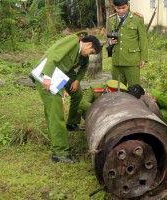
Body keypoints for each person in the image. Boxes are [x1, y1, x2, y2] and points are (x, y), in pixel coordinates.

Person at [33, 34, 101, 163]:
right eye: (91, 52)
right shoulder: (73, 41)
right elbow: (54, 54)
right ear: (88, 44)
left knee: (72, 99)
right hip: (47, 74)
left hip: (60, 74)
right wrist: (47, 77)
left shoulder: (81, 52)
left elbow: (83, 67)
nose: (89, 55)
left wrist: (76, 81)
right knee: (56, 112)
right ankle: (60, 152)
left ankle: (70, 125)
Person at [108, 0, 148, 87]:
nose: (121, 11)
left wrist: (143, 58)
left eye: (124, 8)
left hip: (132, 61)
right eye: (118, 8)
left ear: (128, 5)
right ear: (114, 7)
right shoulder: (111, 19)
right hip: (117, 61)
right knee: (117, 89)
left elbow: (143, 40)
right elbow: (108, 36)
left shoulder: (137, 18)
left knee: (134, 89)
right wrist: (111, 41)